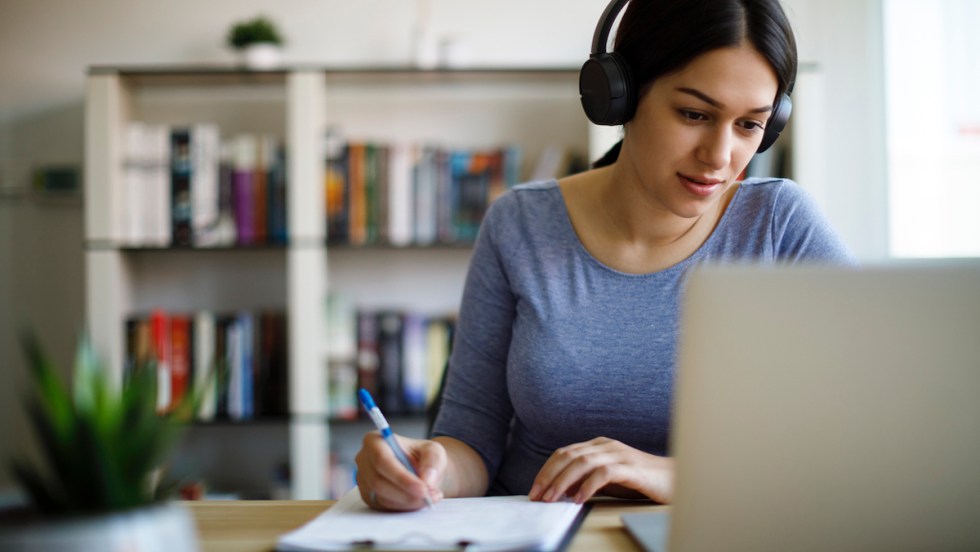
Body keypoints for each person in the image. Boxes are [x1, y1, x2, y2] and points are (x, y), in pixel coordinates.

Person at [354, 0, 854, 512]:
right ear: (620, 95)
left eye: (749, 125)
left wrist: (673, 475)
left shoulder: (779, 227)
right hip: (536, 537)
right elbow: (469, 443)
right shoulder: (520, 225)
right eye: (694, 114)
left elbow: (867, 432)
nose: (719, 156)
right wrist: (425, 465)